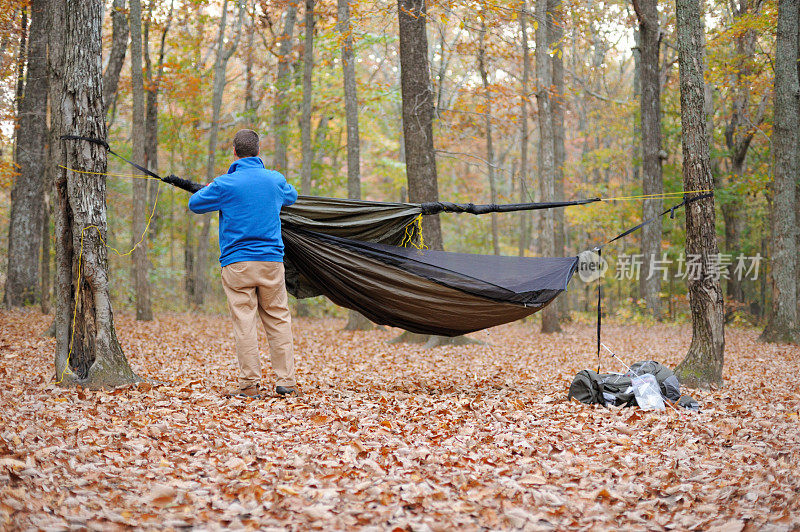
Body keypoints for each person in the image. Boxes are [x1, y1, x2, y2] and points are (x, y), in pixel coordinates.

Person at [188, 129, 298, 398]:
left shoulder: (225, 184)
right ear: (259, 151)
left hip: (237, 264)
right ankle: (287, 381)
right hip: (271, 262)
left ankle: (249, 384)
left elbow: (195, 203)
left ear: (234, 152)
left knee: (244, 322)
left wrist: (217, 188)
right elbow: (291, 196)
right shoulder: (275, 180)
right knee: (278, 319)